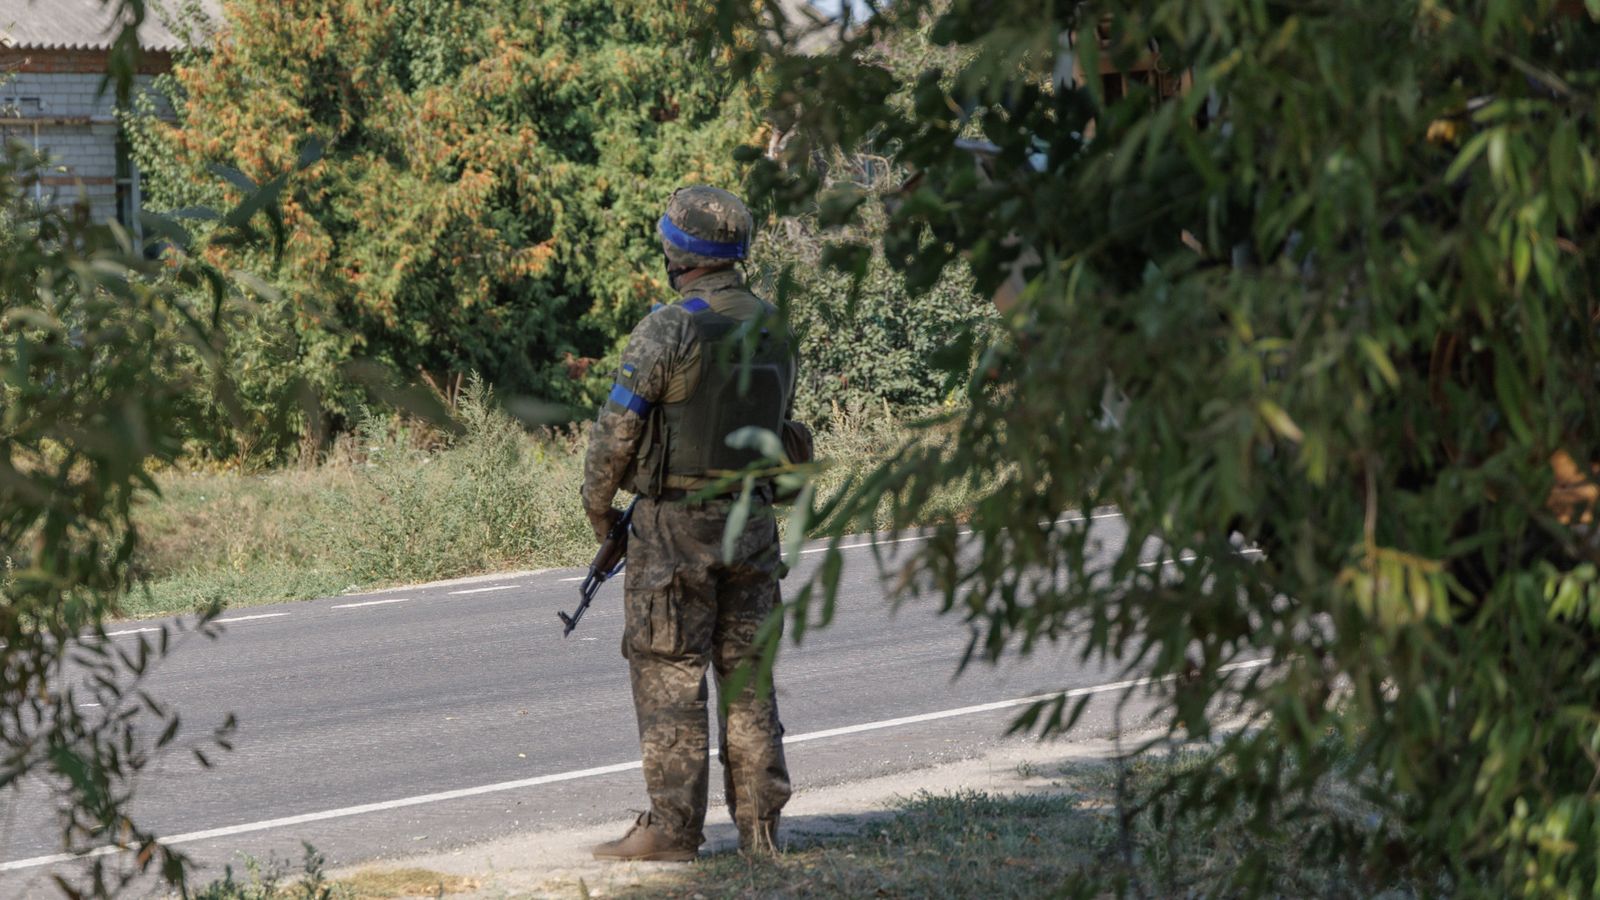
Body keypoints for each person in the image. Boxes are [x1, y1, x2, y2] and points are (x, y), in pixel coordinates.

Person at [581, 185, 796, 861]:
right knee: (748, 679)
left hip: (676, 528)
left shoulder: (670, 327)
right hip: (752, 522)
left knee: (670, 674)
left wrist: (600, 513)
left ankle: (672, 832)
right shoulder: (775, 327)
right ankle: (761, 830)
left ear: (680, 252)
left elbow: (616, 434)